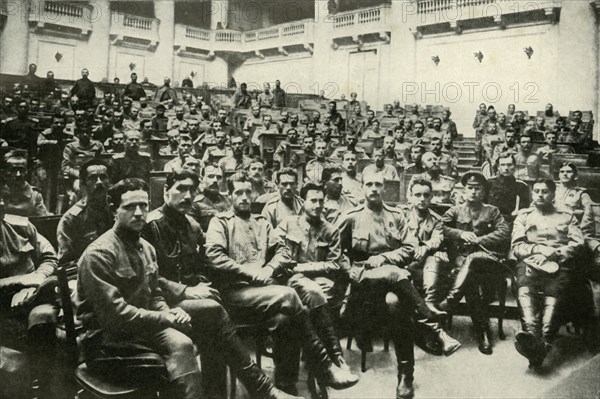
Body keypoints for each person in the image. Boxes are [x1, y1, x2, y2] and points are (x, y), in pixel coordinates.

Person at [141, 170, 302, 399]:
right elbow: (147, 278)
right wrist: (186, 290)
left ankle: (230, 392)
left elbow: (203, 268)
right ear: (166, 191)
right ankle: (262, 389)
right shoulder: (149, 225)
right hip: (159, 302)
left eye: (191, 190)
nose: (187, 196)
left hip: (193, 301)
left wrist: (204, 285)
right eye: (180, 189)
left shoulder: (193, 226)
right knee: (213, 315)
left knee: (280, 318)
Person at [205, 172, 359, 394]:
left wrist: (268, 269)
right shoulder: (220, 222)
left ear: (255, 193)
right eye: (238, 192)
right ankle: (325, 366)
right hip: (234, 295)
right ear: (230, 195)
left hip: (262, 294)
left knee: (286, 319)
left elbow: (283, 252)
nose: (245, 197)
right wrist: (249, 272)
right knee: (289, 295)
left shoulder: (262, 222)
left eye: (248, 192)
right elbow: (215, 256)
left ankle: (285, 386)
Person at [76, 179, 204, 398]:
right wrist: (165, 319)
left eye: (144, 206)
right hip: (107, 343)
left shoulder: (147, 248)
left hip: (140, 332)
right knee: (173, 355)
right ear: (113, 209)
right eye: (129, 207)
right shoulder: (99, 254)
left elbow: (154, 293)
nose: (138, 213)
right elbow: (115, 317)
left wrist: (168, 311)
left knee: (184, 342)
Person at [337, 171, 446, 399]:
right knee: (397, 281)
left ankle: (405, 375)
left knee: (396, 303)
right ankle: (432, 327)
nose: (374, 188)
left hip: (392, 284)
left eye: (379, 184)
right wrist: (352, 271)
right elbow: (336, 251)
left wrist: (385, 258)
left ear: (385, 187)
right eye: (369, 184)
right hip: (364, 284)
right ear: (362, 188)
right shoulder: (350, 217)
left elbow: (409, 248)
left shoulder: (396, 216)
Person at [272, 182, 351, 369]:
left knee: (320, 294)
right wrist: (298, 270)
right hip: (290, 281)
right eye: (312, 200)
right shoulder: (287, 224)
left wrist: (302, 268)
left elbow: (334, 263)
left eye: (320, 201)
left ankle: (315, 357)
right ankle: (334, 354)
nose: (317, 205)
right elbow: (278, 253)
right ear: (303, 203)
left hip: (316, 280)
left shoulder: (331, 230)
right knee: (316, 293)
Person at [511, 179, 585, 369]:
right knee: (524, 290)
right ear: (532, 194)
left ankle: (540, 344)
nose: (540, 195)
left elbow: (578, 244)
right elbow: (517, 246)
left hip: (559, 265)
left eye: (545, 191)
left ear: (553, 194)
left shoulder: (567, 216)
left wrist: (557, 253)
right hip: (531, 263)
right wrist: (536, 248)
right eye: (536, 191)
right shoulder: (524, 216)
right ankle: (534, 339)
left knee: (553, 297)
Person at [440, 172, 510, 355]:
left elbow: (504, 231)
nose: (473, 192)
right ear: (463, 191)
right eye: (469, 188)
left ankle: (450, 300)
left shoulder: (492, 211)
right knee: (471, 283)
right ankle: (483, 332)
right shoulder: (454, 210)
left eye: (477, 188)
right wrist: (460, 234)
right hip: (462, 262)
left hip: (488, 259)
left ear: (484, 191)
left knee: (474, 259)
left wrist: (480, 240)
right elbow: (441, 227)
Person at [0, 193, 58, 398]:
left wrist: (35, 280)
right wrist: (16, 282)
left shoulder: (20, 225)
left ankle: (42, 389)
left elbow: (50, 257)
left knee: (44, 317)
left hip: (32, 297)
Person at [402, 179, 462, 356]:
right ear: (410, 197)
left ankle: (428, 305)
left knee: (434, 258)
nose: (422, 199)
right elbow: (398, 237)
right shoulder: (401, 215)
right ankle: (433, 328)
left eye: (426, 195)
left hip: (425, 267)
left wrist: (426, 247)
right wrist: (417, 246)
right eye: (417, 195)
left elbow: (437, 239)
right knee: (430, 261)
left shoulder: (436, 219)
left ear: (431, 197)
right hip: (405, 263)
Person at [57, 159, 113, 268]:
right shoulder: (71, 219)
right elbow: (65, 262)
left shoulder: (120, 209)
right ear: (83, 183)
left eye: (103, 177)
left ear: (110, 181)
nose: (99, 182)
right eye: (92, 178)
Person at [1, 151, 49, 217]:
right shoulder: (1, 194)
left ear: (26, 172)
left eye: (21, 170)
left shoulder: (35, 197)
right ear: (4, 173)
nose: (18, 174)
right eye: (13, 170)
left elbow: (43, 222)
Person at [486, 153, 530, 223]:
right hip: (490, 221)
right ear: (498, 167)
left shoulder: (521, 186)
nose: (506, 168)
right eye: (502, 165)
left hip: (511, 222)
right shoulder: (489, 183)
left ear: (514, 166)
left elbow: (524, 210)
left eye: (509, 165)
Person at [189, 163, 231, 230]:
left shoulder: (228, 201)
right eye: (211, 176)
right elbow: (193, 232)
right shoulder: (195, 204)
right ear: (202, 179)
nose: (215, 180)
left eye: (219, 177)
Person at [0, 101, 40, 166]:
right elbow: (2, 137)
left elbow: (36, 139)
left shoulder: (33, 123)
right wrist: (4, 142)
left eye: (25, 107)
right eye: (20, 107)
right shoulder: (10, 123)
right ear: (17, 108)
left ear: (28, 109)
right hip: (12, 150)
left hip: (28, 151)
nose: (23, 109)